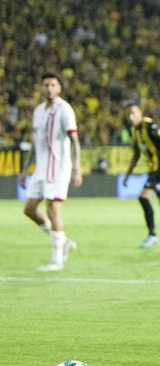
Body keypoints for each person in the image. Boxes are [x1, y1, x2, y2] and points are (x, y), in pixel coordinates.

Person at [19, 72, 82, 271]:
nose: (49, 88)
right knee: (29, 209)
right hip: (40, 168)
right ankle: (63, 242)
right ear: (41, 87)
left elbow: (74, 141)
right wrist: (24, 170)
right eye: (46, 84)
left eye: (53, 85)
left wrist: (77, 168)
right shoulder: (38, 111)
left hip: (58, 166)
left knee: (53, 209)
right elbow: (35, 143)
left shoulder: (65, 109)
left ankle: (57, 260)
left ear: (59, 88)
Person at [123, 103, 160, 249]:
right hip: (153, 170)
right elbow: (136, 154)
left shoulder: (150, 127)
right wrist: (127, 174)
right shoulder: (135, 131)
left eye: (134, 114)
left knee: (143, 197)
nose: (131, 117)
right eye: (129, 114)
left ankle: (152, 235)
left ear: (140, 113)